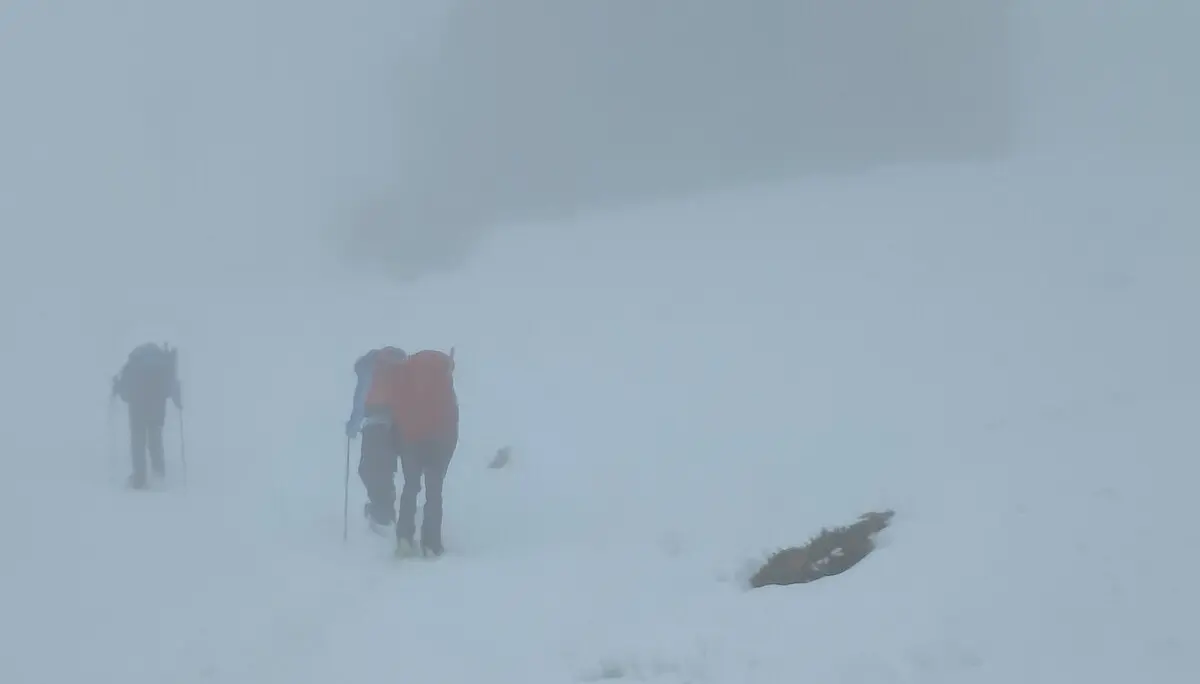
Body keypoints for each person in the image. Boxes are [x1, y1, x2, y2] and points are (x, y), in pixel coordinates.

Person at [384, 348, 459, 557]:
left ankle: (404, 538)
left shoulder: (406, 376)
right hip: (438, 442)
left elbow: (397, 410)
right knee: (434, 492)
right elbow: (451, 418)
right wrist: (448, 447)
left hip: (411, 440)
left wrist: (398, 439)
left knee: (410, 488)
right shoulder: (443, 381)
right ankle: (431, 544)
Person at [346, 346, 408, 530]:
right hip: (397, 425)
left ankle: (382, 515)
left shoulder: (368, 369)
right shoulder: (399, 369)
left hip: (375, 425)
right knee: (385, 468)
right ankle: (386, 512)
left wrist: (353, 426)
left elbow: (361, 400)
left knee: (368, 469)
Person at [112, 342, 181, 490]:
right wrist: (178, 400)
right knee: (155, 441)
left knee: (138, 444)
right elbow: (170, 390)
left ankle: (139, 479)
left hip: (137, 411)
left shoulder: (132, 365)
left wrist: (118, 388)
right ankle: (158, 474)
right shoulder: (163, 366)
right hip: (157, 411)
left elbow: (125, 393)